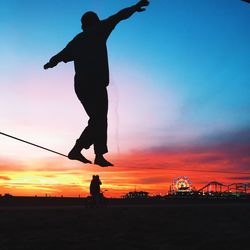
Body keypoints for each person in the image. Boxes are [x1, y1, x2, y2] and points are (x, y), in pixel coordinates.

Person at [44, 0, 150, 167]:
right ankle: (81, 150)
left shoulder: (78, 40)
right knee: (99, 119)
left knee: (98, 119)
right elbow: (118, 16)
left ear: (83, 25)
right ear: (94, 22)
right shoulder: (98, 31)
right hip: (95, 85)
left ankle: (93, 153)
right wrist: (134, 8)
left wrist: (51, 63)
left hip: (81, 86)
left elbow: (62, 55)